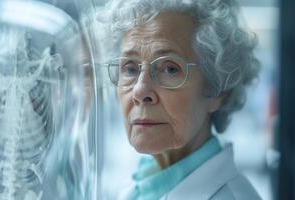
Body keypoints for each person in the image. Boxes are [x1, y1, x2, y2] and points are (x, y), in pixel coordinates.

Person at [102, 0, 261, 199]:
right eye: (130, 68)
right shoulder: (142, 187)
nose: (140, 91)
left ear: (218, 91)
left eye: (170, 69)